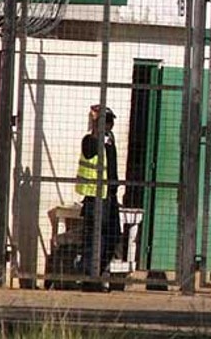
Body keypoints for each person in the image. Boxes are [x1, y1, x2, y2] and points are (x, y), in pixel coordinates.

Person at [75, 104, 121, 292]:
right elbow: (90, 150)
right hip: (94, 197)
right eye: (105, 122)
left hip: (108, 196)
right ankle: (89, 278)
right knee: (94, 239)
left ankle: (98, 273)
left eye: (110, 122)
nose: (109, 126)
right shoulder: (90, 140)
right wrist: (95, 127)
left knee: (112, 236)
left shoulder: (109, 140)